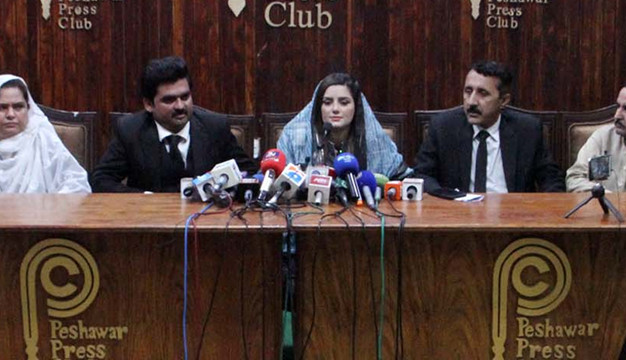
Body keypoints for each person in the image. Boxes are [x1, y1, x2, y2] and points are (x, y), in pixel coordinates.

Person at [91, 56, 257, 193]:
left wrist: (219, 190)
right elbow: (101, 180)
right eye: (169, 100)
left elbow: (249, 173)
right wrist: (144, 199)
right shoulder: (130, 130)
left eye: (185, 97)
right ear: (149, 104)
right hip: (150, 219)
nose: (180, 106)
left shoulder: (215, 126)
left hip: (205, 218)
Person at [414, 61, 565, 194]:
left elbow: (551, 179)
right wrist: (446, 197)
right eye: (468, 91)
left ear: (504, 100)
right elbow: (422, 175)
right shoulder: (444, 127)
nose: (472, 102)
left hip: (513, 212)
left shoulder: (527, 130)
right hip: (458, 212)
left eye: (483, 93)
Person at [276, 72, 410, 179]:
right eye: (327, 102)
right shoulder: (294, 139)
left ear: (356, 107)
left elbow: (403, 179)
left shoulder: (375, 141)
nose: (335, 109)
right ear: (318, 108)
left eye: (344, 102)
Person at [0, 74, 90, 193]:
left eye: (18, 107)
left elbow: (76, 183)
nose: (10, 114)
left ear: (28, 108)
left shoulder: (42, 138)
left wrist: (52, 202)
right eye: (2, 108)